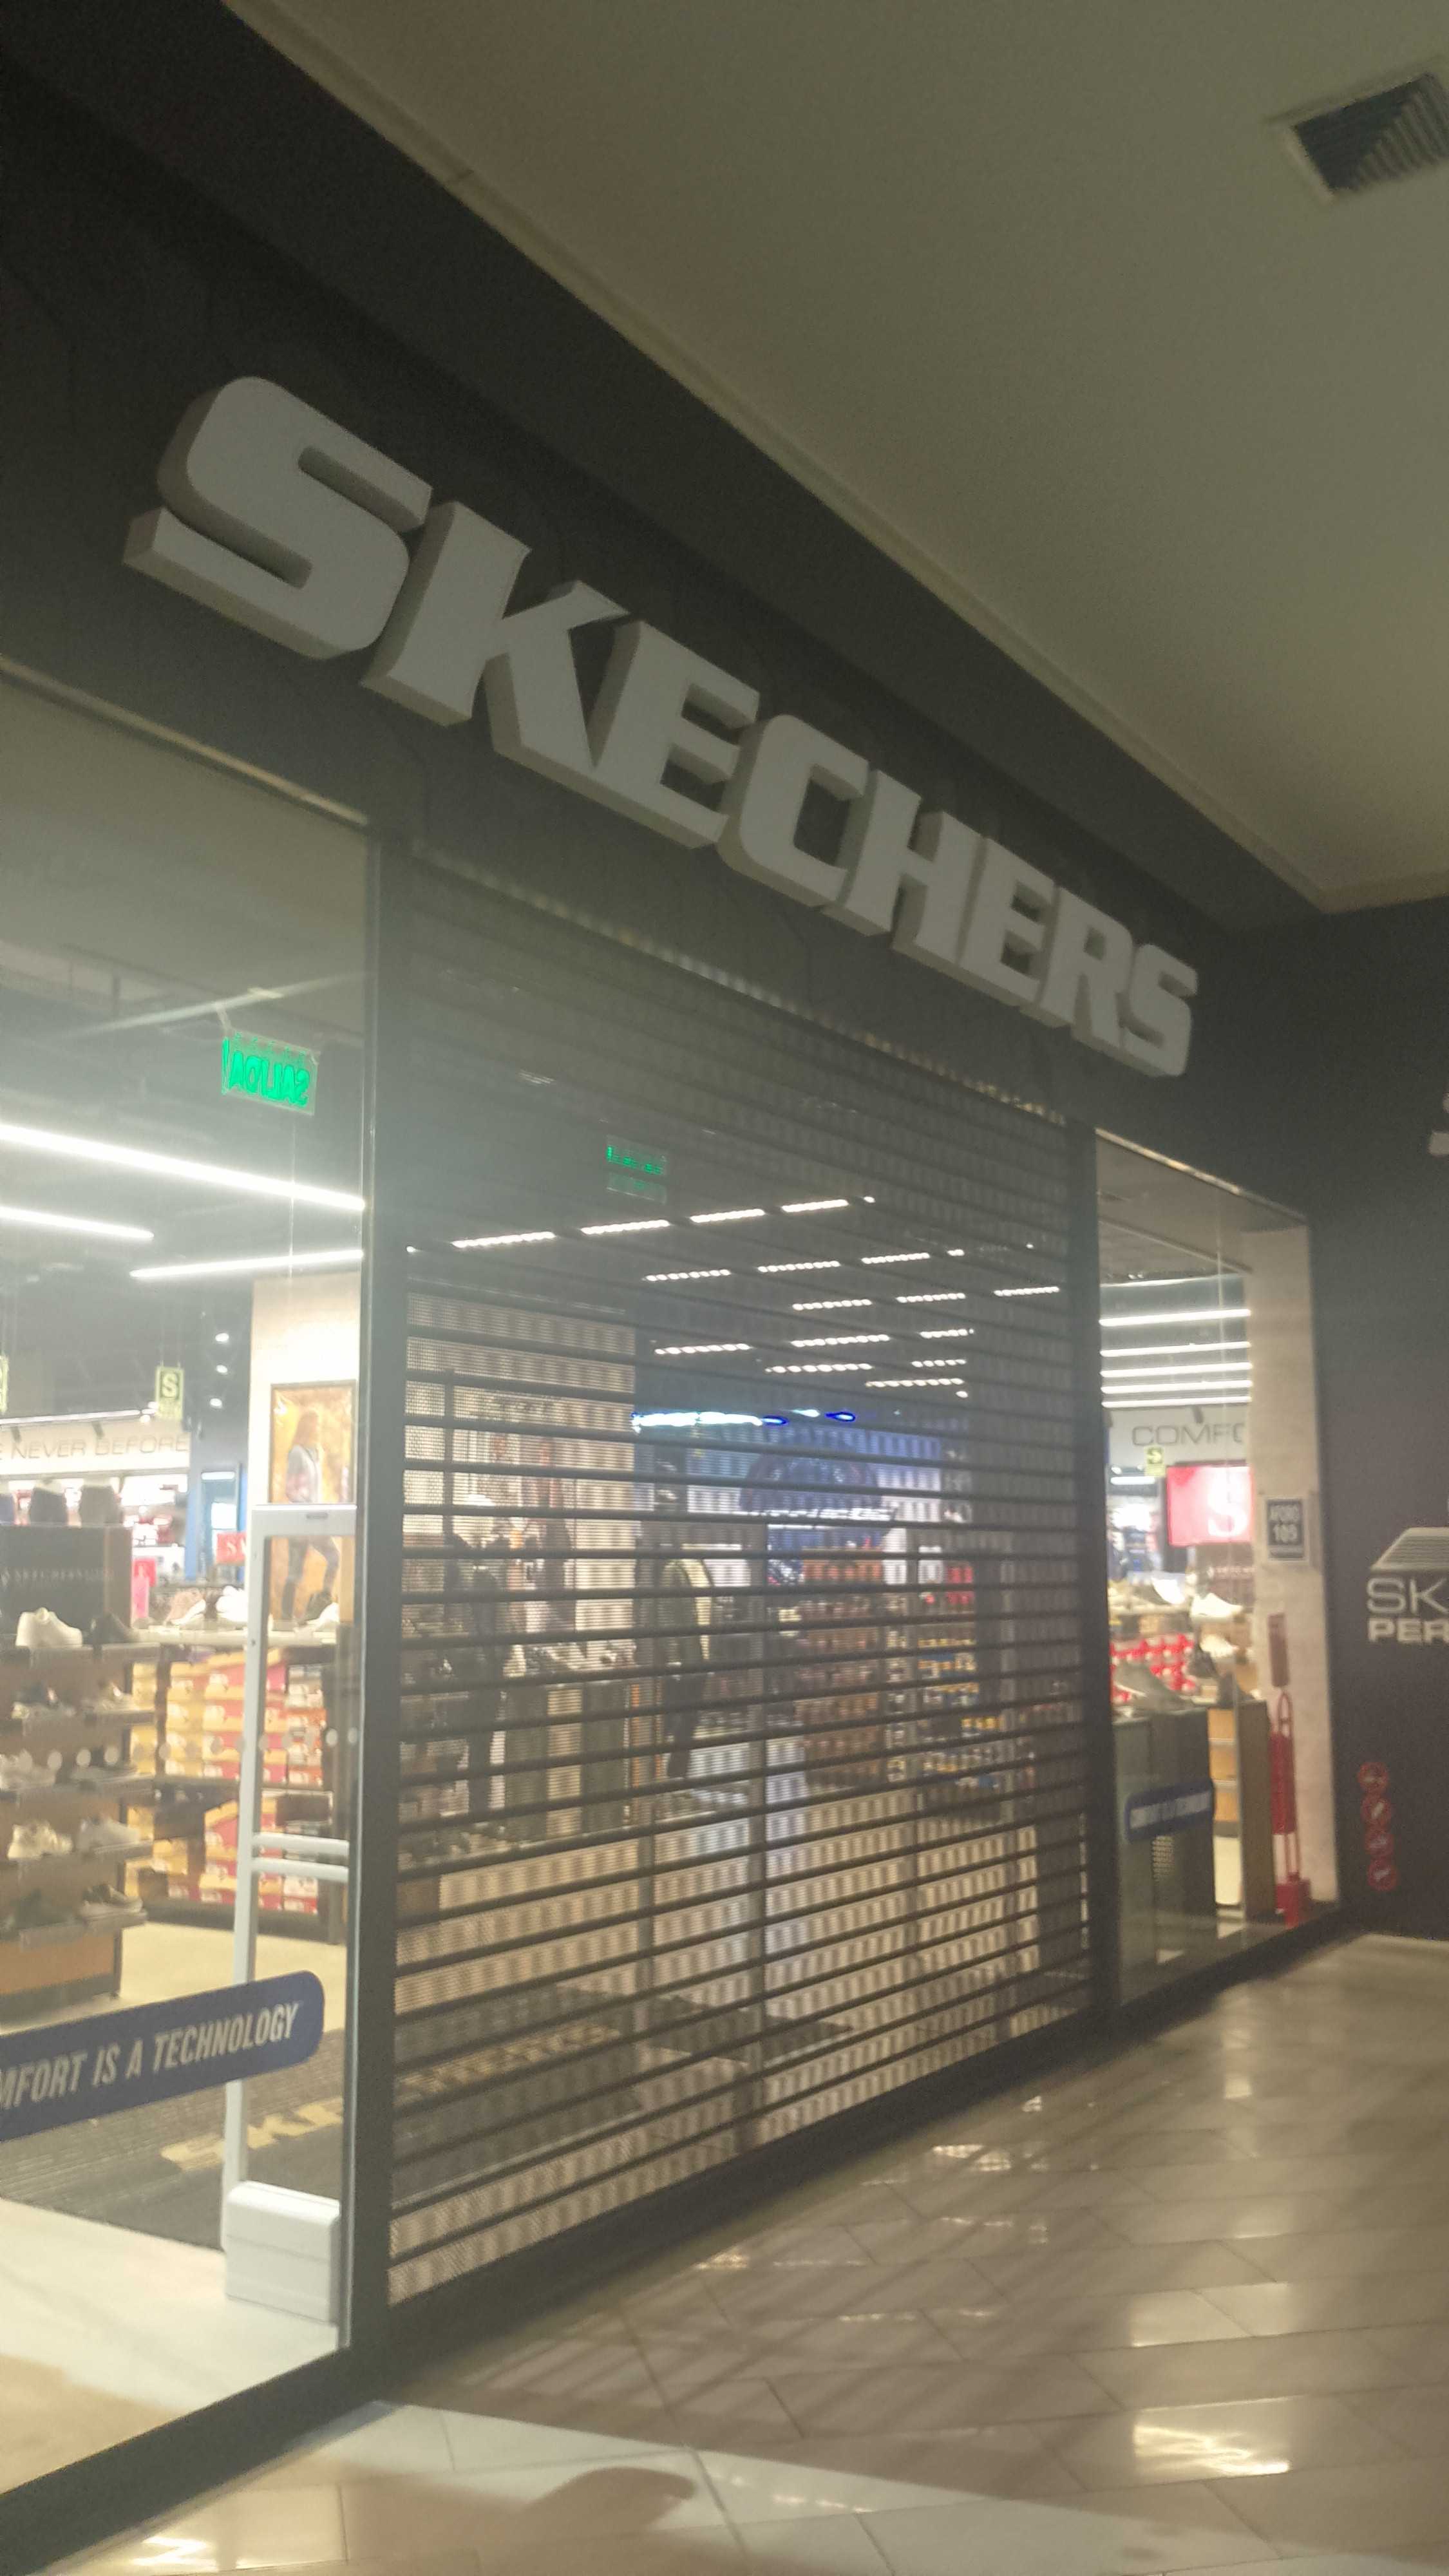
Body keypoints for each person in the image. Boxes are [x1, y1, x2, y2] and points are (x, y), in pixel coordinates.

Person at [279, 1407, 340, 1620]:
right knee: (295, 1572)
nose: (319, 1429)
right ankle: (285, 1617)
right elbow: (291, 1489)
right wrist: (306, 1506)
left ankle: (322, 1600)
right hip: (301, 1519)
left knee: (333, 1557)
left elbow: (315, 1490)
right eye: (316, 1424)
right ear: (307, 1426)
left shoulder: (316, 1454)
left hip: (314, 1519)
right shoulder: (297, 1453)